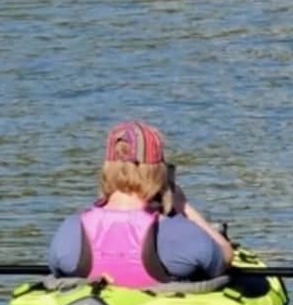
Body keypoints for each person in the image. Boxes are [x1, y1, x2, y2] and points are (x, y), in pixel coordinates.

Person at [47, 121, 234, 287]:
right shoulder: (180, 232)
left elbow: (57, 272)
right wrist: (183, 206)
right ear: (158, 173)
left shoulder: (70, 229)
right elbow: (224, 258)